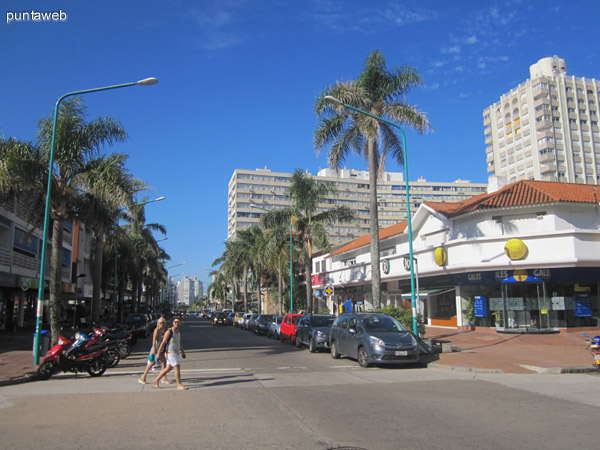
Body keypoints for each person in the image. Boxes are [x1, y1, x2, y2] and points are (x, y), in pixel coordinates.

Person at [153, 318, 188, 390]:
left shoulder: (178, 332)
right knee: (177, 368)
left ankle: (156, 380)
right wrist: (158, 353)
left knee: (168, 368)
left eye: (178, 322)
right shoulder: (169, 331)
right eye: (175, 322)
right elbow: (163, 342)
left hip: (176, 353)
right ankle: (179, 384)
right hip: (170, 353)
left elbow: (180, 342)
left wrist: (183, 352)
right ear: (173, 323)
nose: (176, 323)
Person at [139, 316, 170, 385]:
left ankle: (163, 377)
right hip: (155, 348)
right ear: (158, 323)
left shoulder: (163, 329)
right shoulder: (156, 330)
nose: (161, 324)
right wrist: (154, 351)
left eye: (163, 323)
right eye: (160, 323)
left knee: (163, 362)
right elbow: (153, 341)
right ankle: (143, 376)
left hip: (160, 348)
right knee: (152, 363)